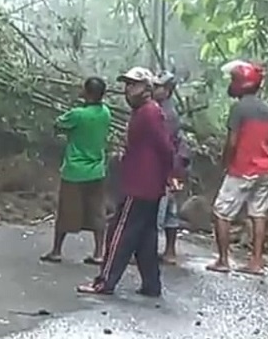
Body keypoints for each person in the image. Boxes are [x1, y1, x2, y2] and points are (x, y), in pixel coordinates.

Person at [76, 67, 175, 297]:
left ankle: (104, 282)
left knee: (119, 233)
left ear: (147, 88)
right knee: (144, 238)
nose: (128, 90)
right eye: (127, 85)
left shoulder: (149, 113)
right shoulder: (144, 112)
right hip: (148, 184)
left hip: (140, 185)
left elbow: (165, 147)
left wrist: (170, 173)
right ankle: (152, 285)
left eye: (133, 85)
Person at [206, 60, 268, 275]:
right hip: (265, 168)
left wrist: (225, 162)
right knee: (258, 213)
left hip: (243, 168)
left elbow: (233, 141)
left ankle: (223, 260)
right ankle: (256, 262)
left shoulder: (239, 108)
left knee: (222, 212)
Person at [40, 77, 112, 265]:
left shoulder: (77, 114)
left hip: (75, 170)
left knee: (66, 211)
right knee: (97, 212)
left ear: (86, 93)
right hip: (97, 170)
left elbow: (58, 124)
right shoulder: (105, 113)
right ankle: (98, 253)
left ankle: (56, 251)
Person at [152, 71, 190, 265]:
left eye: (157, 86)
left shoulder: (165, 114)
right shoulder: (165, 110)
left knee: (158, 209)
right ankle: (169, 251)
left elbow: (163, 145)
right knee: (170, 211)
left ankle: (148, 250)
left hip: (168, 167)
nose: (154, 89)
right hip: (175, 166)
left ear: (167, 91)